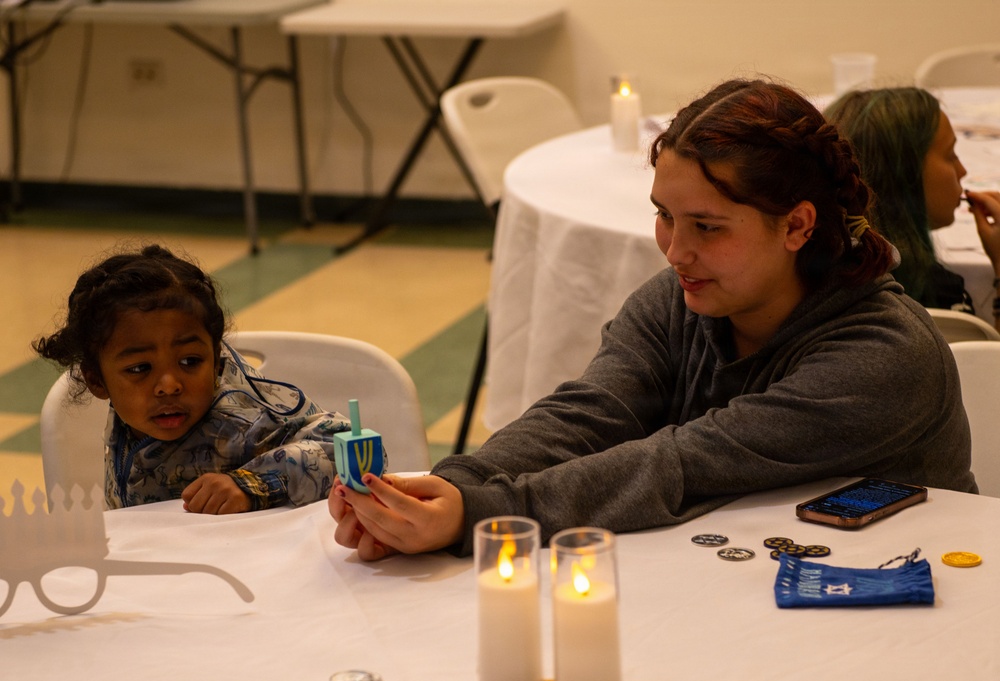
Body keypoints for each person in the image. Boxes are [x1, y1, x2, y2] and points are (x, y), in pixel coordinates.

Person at [330, 78, 976, 561]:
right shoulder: (683, 295)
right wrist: (446, 490)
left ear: (798, 225)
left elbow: (684, 463)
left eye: (707, 226)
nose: (675, 249)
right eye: (664, 214)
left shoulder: (882, 357)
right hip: (748, 581)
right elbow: (590, 412)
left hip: (908, 601)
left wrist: (481, 515)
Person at [34, 244, 354, 513]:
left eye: (190, 361)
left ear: (215, 360)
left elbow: (351, 450)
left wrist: (252, 484)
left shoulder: (245, 423)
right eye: (140, 369)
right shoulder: (136, 417)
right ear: (97, 381)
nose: (169, 384)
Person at [825, 87, 1000, 326]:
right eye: (950, 155)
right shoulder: (937, 293)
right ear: (905, 177)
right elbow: (985, 361)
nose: (963, 171)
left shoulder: (816, 276)